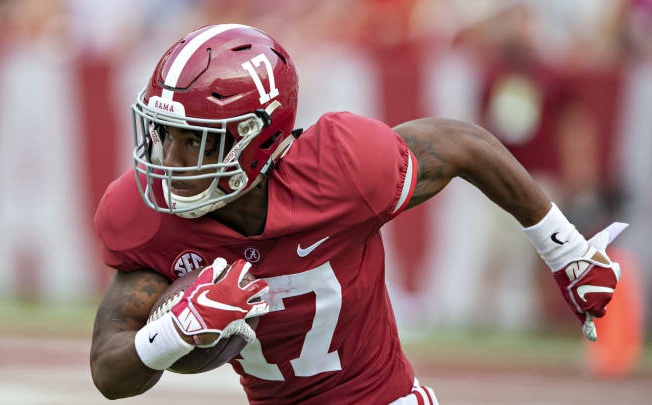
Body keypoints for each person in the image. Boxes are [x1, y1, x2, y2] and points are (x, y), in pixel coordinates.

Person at [90, 24, 626, 404]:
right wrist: (176, 332)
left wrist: (567, 250)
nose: (170, 161)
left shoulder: (341, 168)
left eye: (195, 142)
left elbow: (463, 144)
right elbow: (109, 370)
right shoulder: (146, 217)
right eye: (165, 137)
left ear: (255, 140)